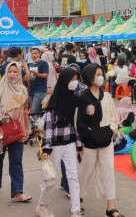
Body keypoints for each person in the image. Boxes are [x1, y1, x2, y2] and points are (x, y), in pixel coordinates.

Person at [76, 63, 124, 217]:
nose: (100, 77)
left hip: (106, 141)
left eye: (101, 74)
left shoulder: (108, 96)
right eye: (97, 74)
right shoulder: (83, 98)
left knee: (108, 172)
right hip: (89, 143)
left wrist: (111, 129)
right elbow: (79, 122)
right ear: (90, 77)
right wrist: (87, 136)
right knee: (84, 173)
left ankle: (111, 207)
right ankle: (78, 201)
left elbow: (113, 117)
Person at [36, 67, 83, 217]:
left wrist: (79, 145)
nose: (75, 82)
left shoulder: (75, 100)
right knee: (50, 177)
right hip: (55, 145)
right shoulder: (54, 102)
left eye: (76, 79)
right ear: (64, 80)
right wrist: (46, 148)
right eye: (72, 79)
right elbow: (48, 127)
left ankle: (75, 210)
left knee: (73, 176)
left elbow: (75, 126)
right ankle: (42, 205)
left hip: (69, 144)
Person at [0, 61, 32, 202]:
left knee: (16, 161)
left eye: (15, 72)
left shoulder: (23, 90)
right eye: (9, 71)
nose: (12, 74)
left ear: (20, 74)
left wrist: (26, 129)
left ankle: (17, 192)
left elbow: (25, 111)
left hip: (16, 131)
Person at [29, 47, 49, 115]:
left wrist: (37, 74)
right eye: (32, 53)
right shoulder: (31, 64)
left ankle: (37, 125)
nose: (34, 55)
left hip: (40, 90)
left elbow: (46, 75)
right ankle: (35, 124)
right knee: (32, 110)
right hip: (31, 90)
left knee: (34, 111)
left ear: (39, 54)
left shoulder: (43, 63)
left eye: (36, 53)